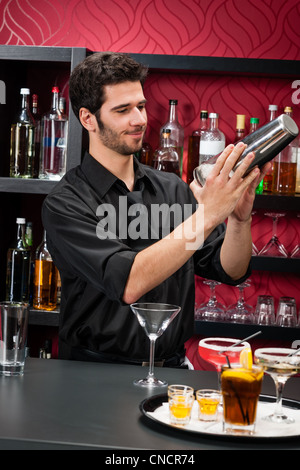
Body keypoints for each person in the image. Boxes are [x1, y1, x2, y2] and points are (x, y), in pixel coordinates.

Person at [42, 51, 269, 367]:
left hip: (172, 368)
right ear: (87, 118)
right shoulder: (66, 203)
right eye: (123, 110)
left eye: (141, 106)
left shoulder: (171, 188)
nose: (139, 119)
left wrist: (238, 219)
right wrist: (207, 214)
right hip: (93, 373)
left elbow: (230, 270)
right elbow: (129, 284)